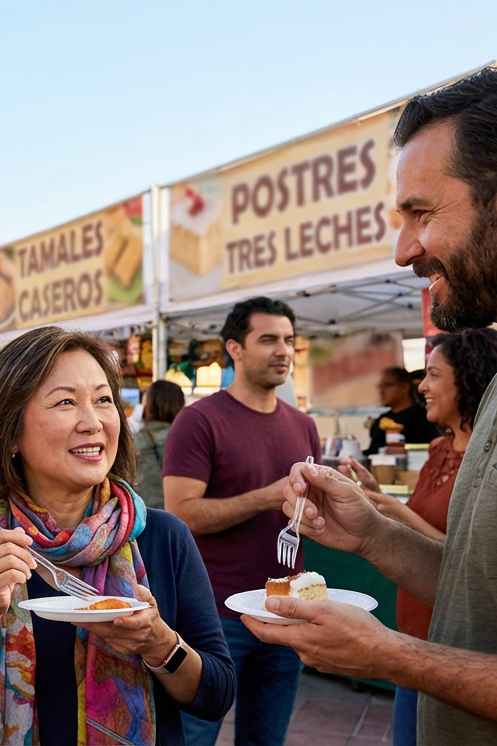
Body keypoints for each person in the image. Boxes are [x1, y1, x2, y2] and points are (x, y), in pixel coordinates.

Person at [245, 66, 497, 744]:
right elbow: (490, 597)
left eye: (422, 213)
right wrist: (372, 535)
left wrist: (393, 657)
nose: (402, 251)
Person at [0, 327, 234, 745]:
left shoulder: (163, 537)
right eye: (66, 402)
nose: (93, 421)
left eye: (103, 400)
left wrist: (158, 643)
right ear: (11, 432)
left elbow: (215, 696)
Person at [337, 328, 497, 745]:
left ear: (468, 378)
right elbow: (424, 528)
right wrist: (379, 500)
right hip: (414, 634)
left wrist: (396, 512)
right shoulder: (439, 449)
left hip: (462, 650)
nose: (422, 386)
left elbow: (470, 556)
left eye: (433, 375)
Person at [162, 296, 321, 746]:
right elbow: (182, 514)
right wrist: (266, 497)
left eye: (289, 340)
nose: (283, 351)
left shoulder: (303, 425)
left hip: (286, 608)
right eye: (268, 339)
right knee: (192, 736)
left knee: (266, 738)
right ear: (234, 348)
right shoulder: (199, 421)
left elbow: (307, 514)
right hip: (215, 612)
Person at [133, 380, 185, 510]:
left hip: (143, 518)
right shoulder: (190, 439)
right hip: (180, 519)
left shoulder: (134, 442)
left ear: (148, 405)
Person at [364, 367, 438, 454]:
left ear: (405, 387)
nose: (382, 391)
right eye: (380, 386)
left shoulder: (425, 419)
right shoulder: (381, 420)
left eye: (388, 385)